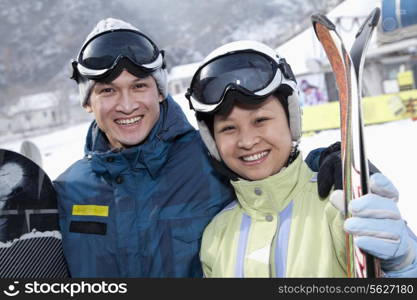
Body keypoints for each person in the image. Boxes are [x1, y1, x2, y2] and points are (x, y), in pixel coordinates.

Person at [186, 40, 417, 277]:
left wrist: (404, 266)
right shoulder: (216, 235)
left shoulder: (339, 209)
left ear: (292, 120)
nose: (246, 141)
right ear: (212, 142)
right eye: (228, 129)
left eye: (260, 121)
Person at [53, 18, 237, 277]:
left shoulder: (215, 161)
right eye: (108, 91)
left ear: (160, 92)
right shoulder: (68, 190)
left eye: (139, 86)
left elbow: (282, 186)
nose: (127, 105)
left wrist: (316, 163)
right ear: (87, 103)